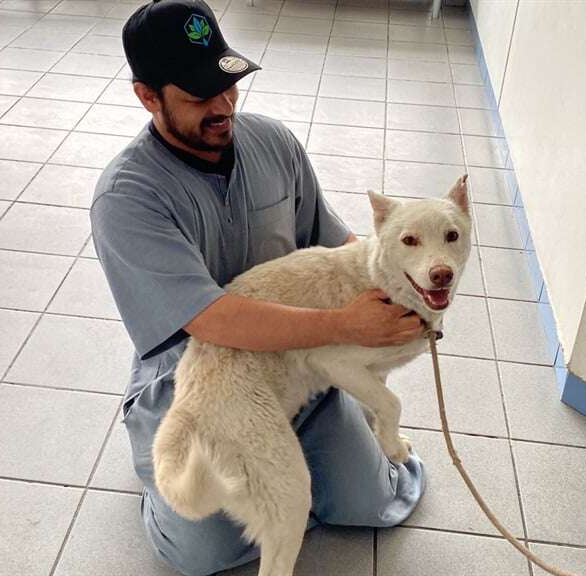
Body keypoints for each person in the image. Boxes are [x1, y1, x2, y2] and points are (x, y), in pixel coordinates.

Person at [90, 1, 427, 574]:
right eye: (199, 96)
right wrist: (346, 326)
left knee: (369, 505)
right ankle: (159, 475)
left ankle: (313, 454)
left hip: (300, 363)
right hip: (198, 380)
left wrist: (403, 285)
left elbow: (334, 244)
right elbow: (212, 319)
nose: (223, 107)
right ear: (148, 96)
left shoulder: (273, 143)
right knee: (206, 552)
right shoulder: (127, 197)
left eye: (228, 85)